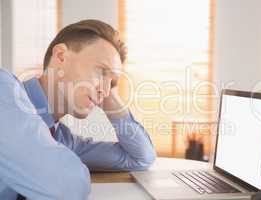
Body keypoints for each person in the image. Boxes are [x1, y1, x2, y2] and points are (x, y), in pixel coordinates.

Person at [0, 19, 156, 200]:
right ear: (60, 56)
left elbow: (140, 158)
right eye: (101, 71)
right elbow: (66, 187)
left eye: (112, 84)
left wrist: (109, 93)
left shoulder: (60, 139)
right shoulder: (4, 89)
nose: (105, 91)